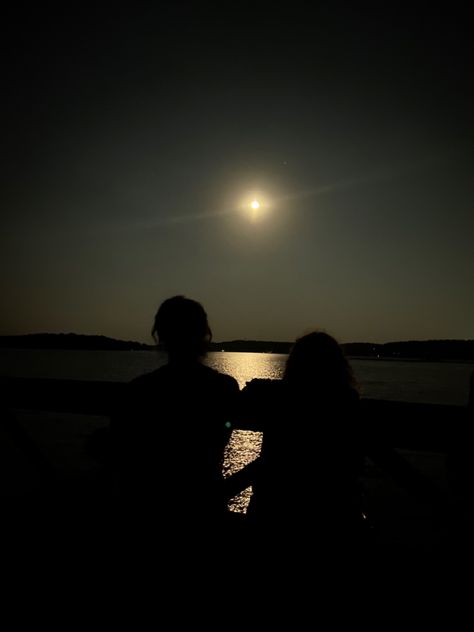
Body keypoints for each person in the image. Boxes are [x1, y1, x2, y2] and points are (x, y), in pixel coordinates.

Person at [238, 331, 443, 560]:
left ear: (294, 365)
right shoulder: (348, 406)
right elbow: (390, 461)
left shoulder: (277, 400)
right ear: (339, 366)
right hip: (336, 522)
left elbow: (269, 462)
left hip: (271, 520)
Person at [109, 295, 239, 536]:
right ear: (204, 334)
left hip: (147, 510)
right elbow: (219, 439)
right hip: (203, 509)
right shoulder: (224, 388)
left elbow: (119, 451)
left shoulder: (139, 390)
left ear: (160, 335)